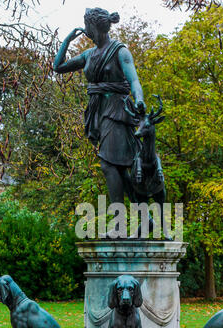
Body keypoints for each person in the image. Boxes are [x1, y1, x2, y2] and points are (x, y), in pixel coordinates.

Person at [53, 7, 146, 205]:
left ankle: (119, 224)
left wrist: (139, 99)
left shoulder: (120, 51)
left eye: (87, 27)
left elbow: (134, 81)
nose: (86, 32)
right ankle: (146, 217)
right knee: (117, 168)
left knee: (109, 165)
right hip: (98, 112)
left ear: (94, 27)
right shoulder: (88, 55)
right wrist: (67, 41)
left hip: (117, 111)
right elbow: (58, 67)